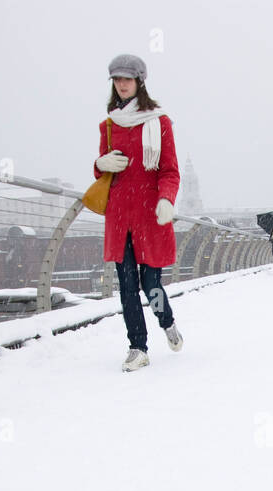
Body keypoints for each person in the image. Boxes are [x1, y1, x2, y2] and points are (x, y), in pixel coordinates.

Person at [93, 53, 182, 372]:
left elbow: (170, 171)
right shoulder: (108, 125)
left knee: (151, 284)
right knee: (127, 284)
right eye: (117, 80)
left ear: (139, 82)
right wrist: (99, 165)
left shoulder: (160, 122)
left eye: (127, 79)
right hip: (120, 217)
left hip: (151, 215)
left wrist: (166, 200)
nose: (121, 84)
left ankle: (167, 320)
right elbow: (102, 170)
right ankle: (137, 346)